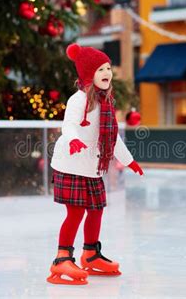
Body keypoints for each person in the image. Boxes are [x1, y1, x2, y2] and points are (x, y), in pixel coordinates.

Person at [46, 43, 144, 285]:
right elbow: (68, 125)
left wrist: (130, 162)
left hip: (91, 167)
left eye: (108, 68)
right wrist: (74, 140)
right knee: (76, 212)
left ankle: (90, 254)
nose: (107, 73)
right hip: (70, 164)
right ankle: (61, 259)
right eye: (101, 69)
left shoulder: (106, 103)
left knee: (97, 209)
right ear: (89, 74)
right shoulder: (78, 100)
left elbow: (113, 139)